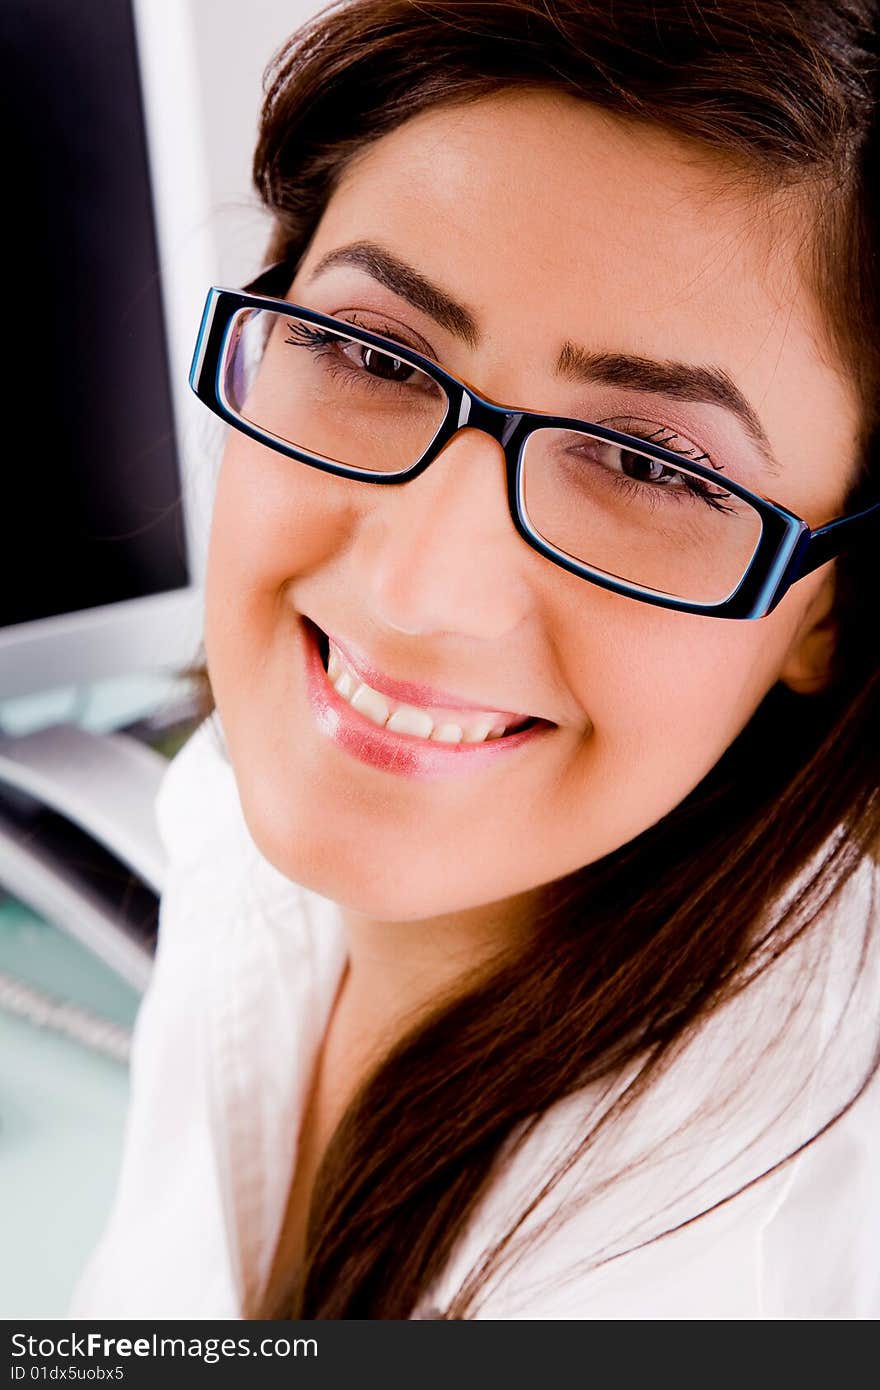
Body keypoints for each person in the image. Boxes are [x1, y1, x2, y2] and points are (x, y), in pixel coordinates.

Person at [69, 0, 880, 1320]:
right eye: (370, 348)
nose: (416, 589)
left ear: (827, 609)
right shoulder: (229, 819)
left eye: (647, 464)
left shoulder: (764, 1260)